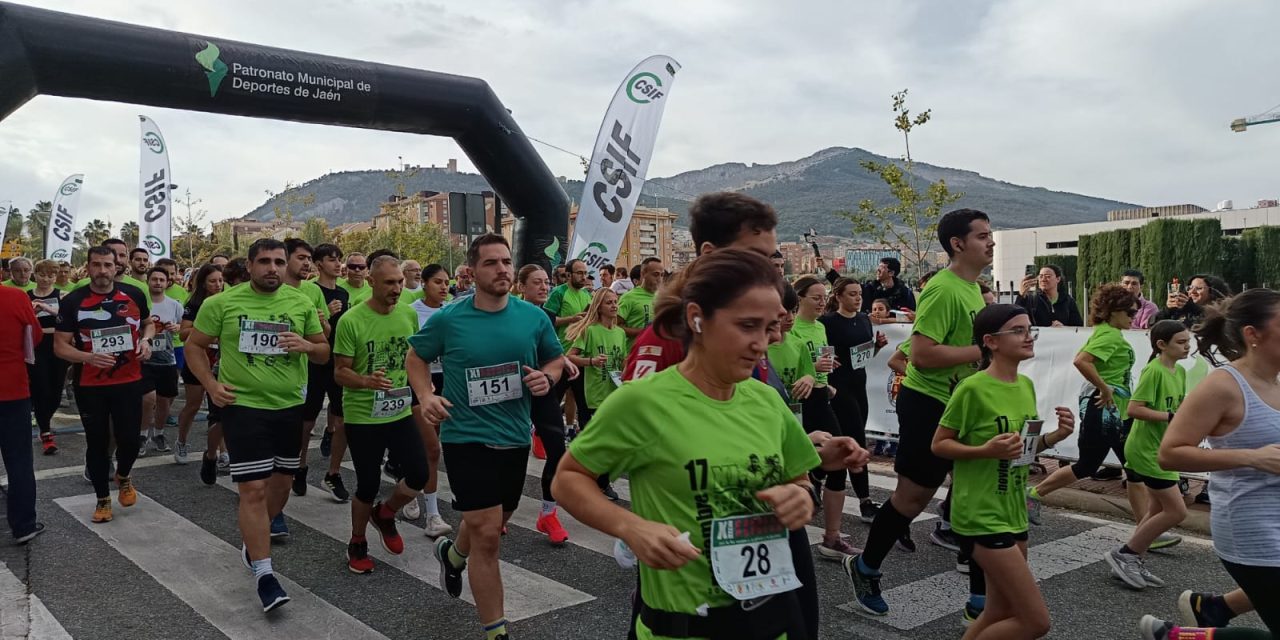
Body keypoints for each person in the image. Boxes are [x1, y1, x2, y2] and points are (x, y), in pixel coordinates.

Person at [554, 249, 847, 640]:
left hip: (769, 619)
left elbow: (799, 481)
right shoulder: (643, 402)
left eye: (768, 328)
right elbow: (569, 478)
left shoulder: (767, 401)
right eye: (746, 326)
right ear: (697, 318)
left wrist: (798, 497)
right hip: (680, 628)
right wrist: (631, 527)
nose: (762, 344)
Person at [406, 234, 564, 640]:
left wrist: (547, 377)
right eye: (492, 263)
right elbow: (416, 357)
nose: (502, 269)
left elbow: (554, 358)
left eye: (507, 261)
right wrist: (426, 395)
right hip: (465, 437)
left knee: (495, 519)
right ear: (472, 271)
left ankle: (453, 553)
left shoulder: (534, 318)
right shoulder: (450, 318)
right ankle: (497, 631)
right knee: (489, 537)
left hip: (514, 436)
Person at [844, 208, 993, 618]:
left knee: (973, 498)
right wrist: (985, 350)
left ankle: (980, 601)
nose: (991, 241)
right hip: (930, 404)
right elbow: (922, 355)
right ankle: (865, 565)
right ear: (958, 244)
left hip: (964, 405)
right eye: (983, 235)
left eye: (991, 235)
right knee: (912, 498)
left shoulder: (973, 289)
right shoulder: (944, 289)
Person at [186, 238, 329, 613]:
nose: (272, 268)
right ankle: (265, 574)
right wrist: (212, 386)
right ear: (249, 266)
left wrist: (307, 346)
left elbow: (323, 352)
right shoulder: (222, 303)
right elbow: (194, 346)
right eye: (264, 261)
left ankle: (256, 538)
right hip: (242, 406)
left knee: (280, 486)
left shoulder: (301, 303)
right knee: (252, 488)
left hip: (288, 406)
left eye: (279, 261)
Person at [1138, 288, 1280, 640]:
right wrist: (1251, 457)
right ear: (1253, 335)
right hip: (1253, 530)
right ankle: (1179, 637)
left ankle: (1212, 611)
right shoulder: (1224, 385)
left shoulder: (1276, 382)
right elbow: (1170, 453)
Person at [931, 304, 1074, 640]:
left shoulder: (1024, 385)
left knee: (999, 610)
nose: (1028, 336)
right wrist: (984, 450)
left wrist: (1056, 436)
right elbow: (939, 444)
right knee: (1036, 622)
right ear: (991, 342)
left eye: (1030, 329)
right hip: (979, 513)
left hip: (1013, 509)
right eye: (1018, 330)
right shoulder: (973, 389)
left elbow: (1023, 450)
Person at [1027, 284, 1158, 535]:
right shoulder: (1109, 335)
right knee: (1116, 467)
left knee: (1113, 466)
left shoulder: (1108, 332)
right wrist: (1105, 388)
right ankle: (1146, 531)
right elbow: (1081, 360)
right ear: (1112, 311)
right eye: (1129, 312)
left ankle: (1145, 529)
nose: (1134, 316)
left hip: (1111, 411)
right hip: (1106, 411)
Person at [332, 255, 428, 574]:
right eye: (389, 282)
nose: (397, 288)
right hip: (363, 416)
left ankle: (385, 514)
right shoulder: (352, 320)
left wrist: (425, 394)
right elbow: (339, 373)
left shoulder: (407, 315)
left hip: (399, 410)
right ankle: (357, 541)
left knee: (419, 473)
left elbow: (413, 359)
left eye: (400, 281)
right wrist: (366, 381)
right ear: (371, 282)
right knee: (367, 484)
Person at [623, 192, 780, 381]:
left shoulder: (760, 331)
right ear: (709, 254)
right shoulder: (667, 334)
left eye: (770, 259)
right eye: (754, 257)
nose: (768, 270)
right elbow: (638, 404)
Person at [54, 246, 155, 524]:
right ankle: (102, 499)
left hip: (129, 380)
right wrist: (88, 357)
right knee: (97, 443)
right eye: (96, 265)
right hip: (90, 385)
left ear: (116, 267)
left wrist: (146, 341)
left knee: (131, 440)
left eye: (107, 265)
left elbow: (148, 324)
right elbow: (60, 346)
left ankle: (123, 475)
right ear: (87, 267)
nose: (102, 271)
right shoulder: (74, 301)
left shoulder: (133, 294)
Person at [1105, 320, 1191, 591]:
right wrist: (1170, 416)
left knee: (1155, 510)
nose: (1187, 346)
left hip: (1162, 449)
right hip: (1146, 450)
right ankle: (1126, 555)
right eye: (1181, 342)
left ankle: (1134, 557)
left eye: (1188, 342)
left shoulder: (1179, 372)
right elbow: (1134, 409)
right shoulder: (1153, 371)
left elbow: (1178, 407)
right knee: (1176, 511)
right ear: (1161, 345)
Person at [790, 275, 857, 559]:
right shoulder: (789, 328)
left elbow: (824, 359)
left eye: (823, 297)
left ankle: (832, 536)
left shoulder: (820, 327)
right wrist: (810, 366)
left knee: (838, 457)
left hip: (819, 395)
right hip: (796, 401)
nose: (821, 302)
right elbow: (785, 365)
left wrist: (824, 375)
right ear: (800, 299)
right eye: (815, 297)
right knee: (794, 463)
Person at [821, 278, 889, 525]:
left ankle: (817, 477)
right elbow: (821, 349)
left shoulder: (863, 320)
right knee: (856, 439)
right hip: (838, 387)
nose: (858, 298)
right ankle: (865, 501)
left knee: (846, 437)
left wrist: (878, 347)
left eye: (859, 293)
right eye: (852, 294)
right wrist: (827, 359)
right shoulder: (827, 322)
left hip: (859, 384)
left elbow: (863, 356)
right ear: (838, 296)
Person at [518, 264, 577, 545]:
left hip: (541, 386)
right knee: (508, 457)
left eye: (546, 282)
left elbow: (551, 348)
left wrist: (562, 360)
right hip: (512, 391)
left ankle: (548, 514)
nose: (544, 287)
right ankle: (498, 513)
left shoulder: (548, 315)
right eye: (536, 282)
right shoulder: (510, 313)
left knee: (558, 449)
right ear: (522, 286)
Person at [295, 241, 348, 502]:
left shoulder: (345, 293)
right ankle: (300, 465)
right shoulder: (309, 290)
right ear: (319, 264)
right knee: (307, 419)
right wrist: (326, 314)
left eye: (339, 259)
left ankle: (333, 473)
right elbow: (308, 324)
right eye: (331, 259)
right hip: (314, 361)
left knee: (342, 418)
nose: (338, 264)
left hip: (339, 361)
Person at [565, 287, 627, 500]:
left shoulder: (620, 333)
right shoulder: (590, 330)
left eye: (615, 301)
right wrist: (591, 361)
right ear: (598, 307)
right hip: (592, 394)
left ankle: (600, 481)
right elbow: (570, 356)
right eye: (609, 302)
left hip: (613, 393)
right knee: (596, 443)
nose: (614, 305)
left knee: (612, 441)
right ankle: (593, 481)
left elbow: (623, 359)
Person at [405, 263, 452, 536]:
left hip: (447, 380)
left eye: (447, 282)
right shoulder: (412, 312)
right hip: (419, 383)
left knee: (438, 446)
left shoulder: (452, 312)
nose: (444, 287)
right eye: (437, 282)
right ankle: (432, 515)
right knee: (431, 449)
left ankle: (410, 481)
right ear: (423, 283)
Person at [1, 279, 44, 542]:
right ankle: (23, 525)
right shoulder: (16, 297)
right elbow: (35, 336)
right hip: (12, 389)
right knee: (18, 461)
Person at [175, 264, 225, 475]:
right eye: (213, 281)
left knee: (221, 410)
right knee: (193, 405)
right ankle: (181, 440)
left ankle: (222, 452)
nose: (218, 285)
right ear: (203, 282)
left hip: (221, 361)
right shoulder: (194, 303)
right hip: (197, 359)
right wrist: (206, 330)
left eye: (221, 281)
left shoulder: (227, 302)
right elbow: (183, 333)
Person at [138, 267, 183, 456]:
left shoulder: (174, 305)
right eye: (154, 279)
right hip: (144, 359)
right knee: (148, 399)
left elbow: (185, 327)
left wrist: (176, 327)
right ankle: (141, 436)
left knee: (164, 401)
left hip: (167, 359)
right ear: (148, 281)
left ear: (167, 283)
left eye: (161, 280)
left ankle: (159, 433)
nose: (158, 283)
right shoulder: (141, 303)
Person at [27, 259, 67, 454]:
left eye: (51, 275)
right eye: (42, 275)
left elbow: (66, 319)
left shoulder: (62, 296)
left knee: (56, 391)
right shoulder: (26, 296)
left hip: (57, 345)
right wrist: (33, 313)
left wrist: (48, 308)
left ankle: (44, 420)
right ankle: (45, 432)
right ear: (35, 274)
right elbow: (21, 321)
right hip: (36, 346)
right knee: (40, 387)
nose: (46, 279)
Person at [1014, 264, 1083, 327]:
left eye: (1048, 276)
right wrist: (1021, 295)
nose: (1043, 279)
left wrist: (1064, 328)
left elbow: (1078, 326)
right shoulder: (1031, 299)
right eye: (1041, 276)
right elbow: (1017, 319)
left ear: (1058, 279)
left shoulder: (1068, 301)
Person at [617, 257, 662, 353]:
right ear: (643, 274)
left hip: (656, 353)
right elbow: (615, 326)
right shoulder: (629, 297)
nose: (659, 279)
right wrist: (644, 332)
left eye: (662, 275)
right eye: (656, 274)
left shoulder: (662, 297)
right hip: (633, 354)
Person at [1155, 274, 1231, 329]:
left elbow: (1214, 324)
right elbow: (1152, 324)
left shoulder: (1224, 309)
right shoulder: (1183, 309)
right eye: (1190, 288)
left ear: (1212, 291)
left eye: (1199, 288)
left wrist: (1194, 308)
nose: (1192, 291)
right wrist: (1168, 310)